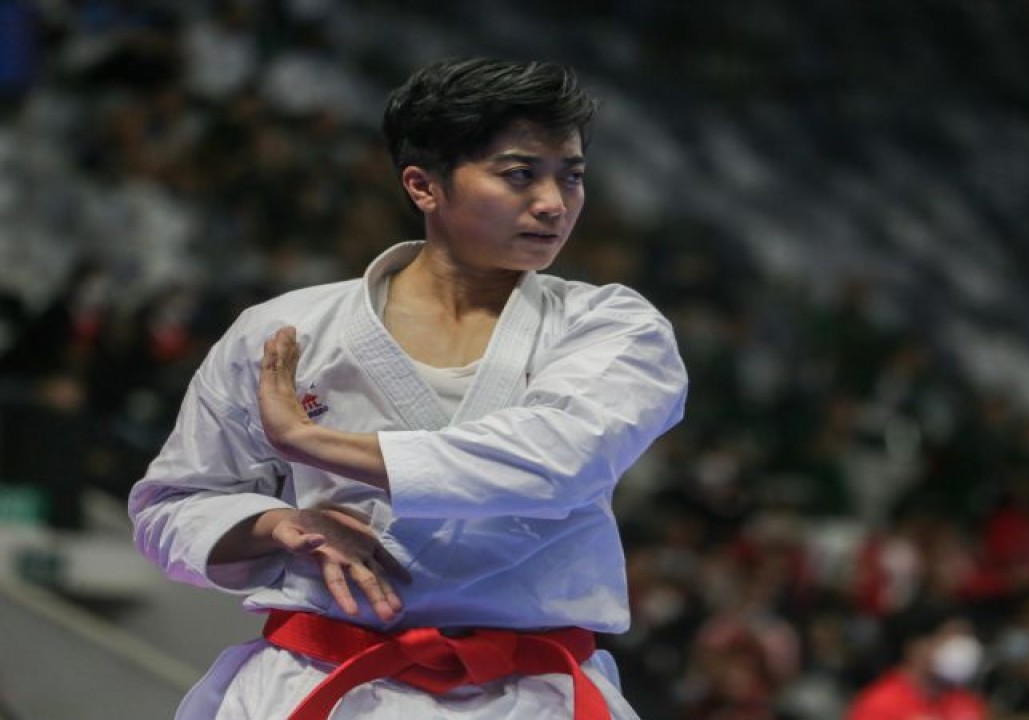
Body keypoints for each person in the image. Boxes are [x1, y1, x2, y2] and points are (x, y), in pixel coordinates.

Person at [128, 57, 688, 719]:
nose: (554, 203)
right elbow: (169, 508)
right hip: (318, 679)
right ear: (424, 186)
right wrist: (277, 524)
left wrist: (311, 442)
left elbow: (553, 461)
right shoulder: (288, 331)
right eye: (519, 175)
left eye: (571, 176)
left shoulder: (612, 328)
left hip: (531, 696)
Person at [844, 605, 988, 720]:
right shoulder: (879, 705)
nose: (960, 649)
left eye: (964, 638)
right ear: (915, 646)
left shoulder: (966, 703)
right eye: (949, 638)